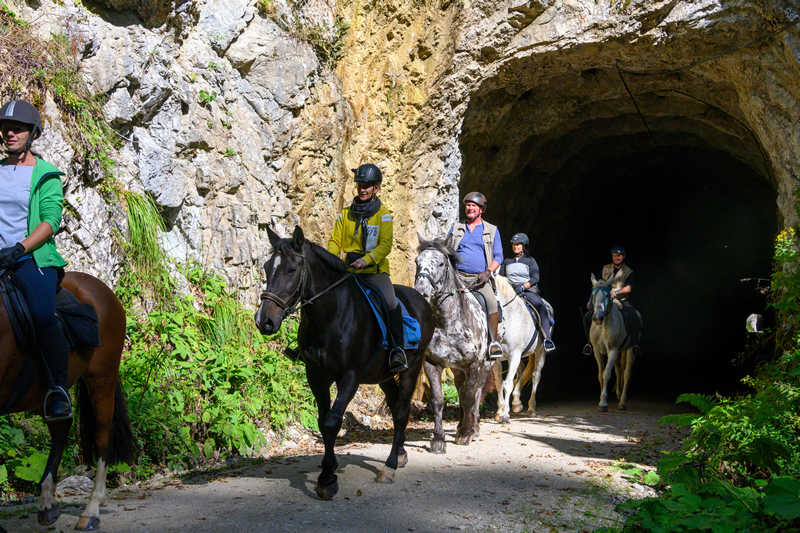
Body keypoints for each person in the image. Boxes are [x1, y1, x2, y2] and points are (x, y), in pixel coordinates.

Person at [0, 99, 72, 420]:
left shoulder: (45, 175)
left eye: (18, 128)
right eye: (6, 128)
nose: (10, 133)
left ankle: (58, 389)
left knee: (43, 315)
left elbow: (50, 220)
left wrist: (19, 248)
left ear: (32, 133)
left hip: (30, 259)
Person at [327, 163, 407, 372]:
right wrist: (330, 259)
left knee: (390, 302)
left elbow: (385, 245)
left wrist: (367, 260)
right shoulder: (345, 214)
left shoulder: (384, 215)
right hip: (348, 269)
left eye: (368, 186)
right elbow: (335, 241)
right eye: (360, 185)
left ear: (376, 188)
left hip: (373, 271)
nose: (363, 189)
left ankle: (397, 350)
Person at [447, 191, 504, 359]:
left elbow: (498, 255)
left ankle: (493, 343)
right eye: (467, 205)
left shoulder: (491, 230)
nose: (469, 208)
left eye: (473, 205)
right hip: (457, 277)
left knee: (492, 303)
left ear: (481, 209)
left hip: (479, 279)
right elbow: (447, 248)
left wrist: (488, 271)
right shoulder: (457, 228)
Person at [500, 233, 555, 352]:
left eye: (518, 244)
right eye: (514, 244)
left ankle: (547, 339)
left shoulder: (530, 260)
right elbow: (501, 277)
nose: (515, 247)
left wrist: (523, 287)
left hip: (526, 291)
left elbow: (535, 277)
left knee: (541, 308)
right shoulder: (507, 261)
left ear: (524, 246)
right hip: (509, 292)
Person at [582, 246, 642, 356]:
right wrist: (591, 300)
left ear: (623, 257)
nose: (616, 258)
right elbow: (597, 285)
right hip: (604, 300)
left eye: (618, 256)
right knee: (587, 317)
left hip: (620, 299)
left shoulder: (628, 272)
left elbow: (628, 288)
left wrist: (617, 293)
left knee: (634, 316)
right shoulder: (605, 268)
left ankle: (634, 344)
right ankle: (589, 344)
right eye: (614, 256)